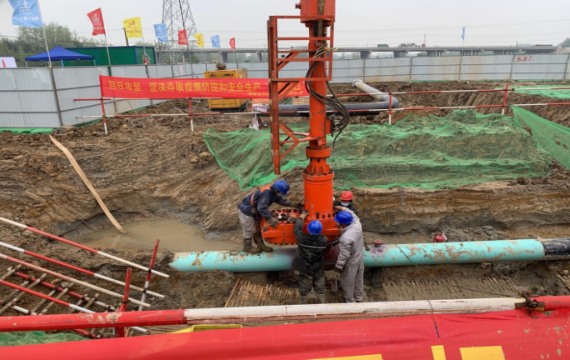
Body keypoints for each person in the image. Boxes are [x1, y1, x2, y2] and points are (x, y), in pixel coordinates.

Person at [237, 180, 291, 254]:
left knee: (257, 229)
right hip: (246, 211)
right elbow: (261, 208)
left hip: (253, 211)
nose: (279, 194)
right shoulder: (267, 193)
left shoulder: (273, 192)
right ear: (277, 189)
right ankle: (247, 247)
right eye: (279, 192)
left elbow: (281, 201)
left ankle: (261, 245)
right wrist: (270, 219)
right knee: (249, 229)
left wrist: (294, 204)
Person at [292, 214, 328, 304]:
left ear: (308, 229)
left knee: (304, 286)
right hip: (318, 267)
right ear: (320, 230)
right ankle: (321, 304)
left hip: (304, 267)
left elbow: (297, 229)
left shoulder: (302, 238)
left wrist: (301, 218)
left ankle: (303, 304)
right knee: (320, 287)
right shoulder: (324, 240)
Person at [333, 207, 365, 303]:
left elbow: (344, 254)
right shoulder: (357, 224)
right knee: (359, 280)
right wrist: (342, 208)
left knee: (348, 282)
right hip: (360, 257)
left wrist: (339, 265)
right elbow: (353, 214)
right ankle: (359, 298)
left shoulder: (345, 238)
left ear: (342, 223)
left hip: (351, 262)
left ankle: (350, 301)